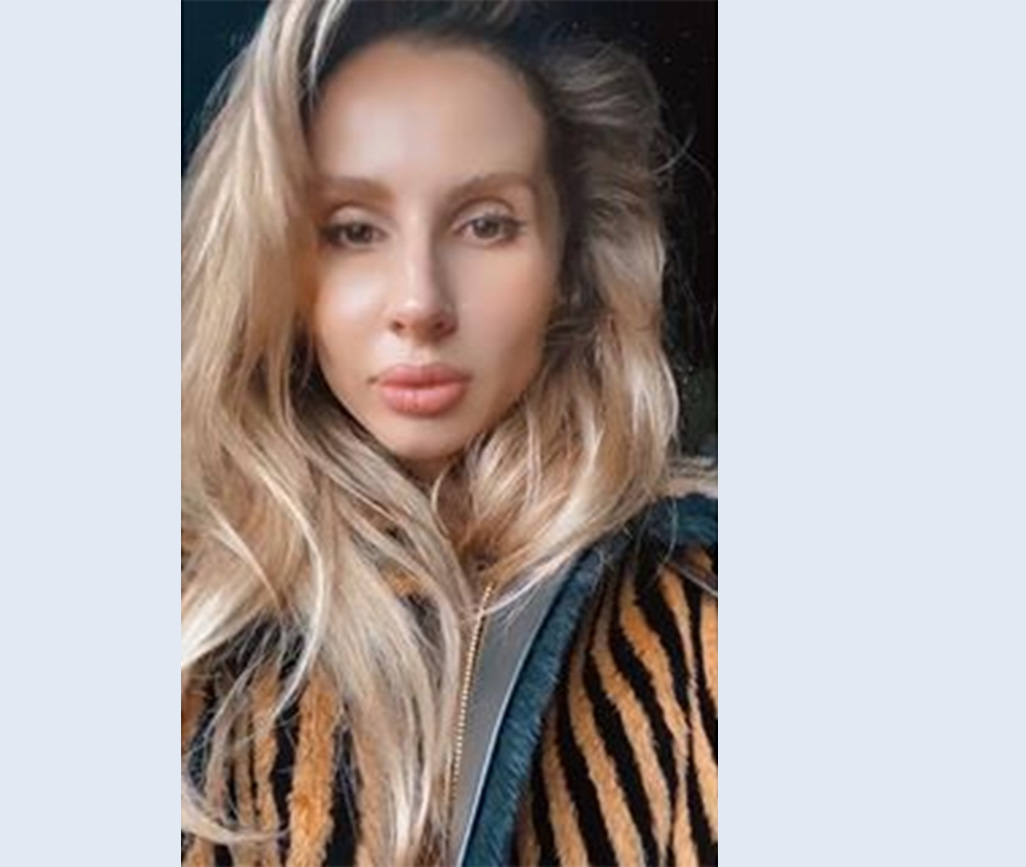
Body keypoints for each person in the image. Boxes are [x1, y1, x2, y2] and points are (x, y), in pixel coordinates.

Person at [181, 1, 717, 864]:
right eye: (353, 230)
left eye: (486, 224)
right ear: (274, 258)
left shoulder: (701, 609)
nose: (420, 303)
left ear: (572, 262)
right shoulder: (192, 615)